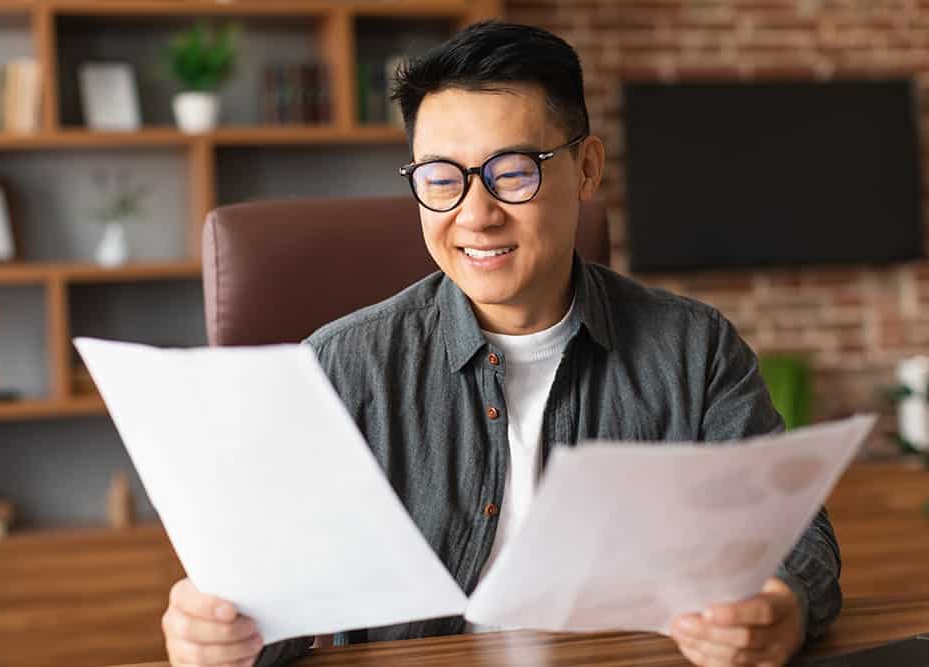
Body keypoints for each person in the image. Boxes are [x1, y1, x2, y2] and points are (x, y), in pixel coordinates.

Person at [161, 20, 842, 667]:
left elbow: (794, 535)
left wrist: (780, 606)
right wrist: (226, 635)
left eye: (512, 171)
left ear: (587, 168)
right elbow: (272, 598)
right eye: (440, 179)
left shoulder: (694, 350)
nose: (475, 214)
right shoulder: (342, 367)